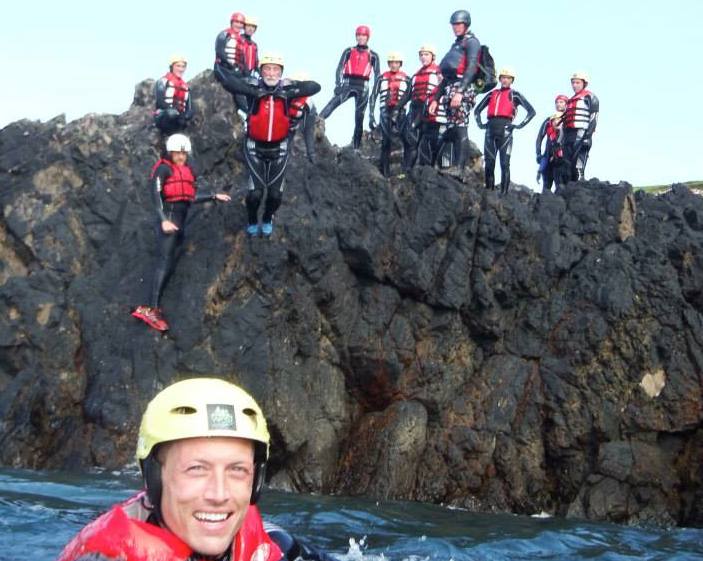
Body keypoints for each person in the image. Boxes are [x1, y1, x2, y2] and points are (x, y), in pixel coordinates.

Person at [58, 377, 337, 561]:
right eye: (196, 469)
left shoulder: (276, 545)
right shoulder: (107, 556)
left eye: (237, 470)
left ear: (256, 481)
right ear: (154, 478)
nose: (219, 494)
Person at [131, 134, 231, 331]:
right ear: (171, 152)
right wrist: (164, 221)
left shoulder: (185, 170)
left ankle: (153, 305)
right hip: (169, 220)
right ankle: (152, 309)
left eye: (184, 153)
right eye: (178, 153)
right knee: (163, 261)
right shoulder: (162, 169)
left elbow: (190, 196)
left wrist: (213, 196)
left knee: (170, 261)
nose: (181, 157)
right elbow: (156, 198)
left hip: (180, 221)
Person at [224, 54, 321, 238]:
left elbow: (315, 86)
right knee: (255, 194)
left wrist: (289, 91)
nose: (271, 73)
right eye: (267, 69)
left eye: (276, 69)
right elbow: (229, 82)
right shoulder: (253, 85)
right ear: (261, 71)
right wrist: (253, 92)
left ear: (281, 73)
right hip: (254, 146)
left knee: (275, 195)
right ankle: (252, 219)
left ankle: (268, 218)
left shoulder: (287, 91)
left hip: (280, 147)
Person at [429, 9, 481, 174]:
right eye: (454, 25)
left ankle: (460, 168)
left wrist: (460, 91)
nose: (456, 27)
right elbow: (446, 75)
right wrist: (436, 98)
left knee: (460, 127)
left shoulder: (472, 42)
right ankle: (439, 165)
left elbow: (472, 66)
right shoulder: (456, 44)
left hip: (462, 88)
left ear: (465, 25)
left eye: (459, 24)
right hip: (450, 87)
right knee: (450, 128)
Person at [474, 67, 536, 194]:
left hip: (506, 130)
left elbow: (531, 111)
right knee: (489, 163)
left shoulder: (515, 94)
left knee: (504, 163)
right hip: (490, 129)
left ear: (512, 80)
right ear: (500, 79)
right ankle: (489, 192)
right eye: (503, 78)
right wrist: (481, 124)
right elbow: (477, 110)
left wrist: (518, 125)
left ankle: (504, 194)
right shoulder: (492, 94)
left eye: (508, 78)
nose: (505, 80)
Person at [318, 25, 380, 149]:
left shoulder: (373, 55)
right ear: (356, 36)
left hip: (363, 86)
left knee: (359, 118)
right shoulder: (349, 51)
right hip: (348, 83)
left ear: (367, 37)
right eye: (359, 35)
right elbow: (339, 67)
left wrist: (373, 96)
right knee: (333, 103)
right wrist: (338, 84)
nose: (361, 38)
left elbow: (377, 77)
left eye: (363, 35)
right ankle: (316, 122)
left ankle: (356, 148)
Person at [396, 44, 443, 169]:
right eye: (421, 55)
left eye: (426, 54)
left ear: (433, 56)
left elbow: (443, 90)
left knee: (427, 143)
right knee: (409, 141)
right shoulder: (416, 74)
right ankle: (407, 170)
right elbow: (408, 94)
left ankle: (427, 170)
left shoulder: (438, 72)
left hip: (430, 111)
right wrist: (397, 108)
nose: (423, 57)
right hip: (415, 109)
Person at [369, 52, 411, 177]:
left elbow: (410, 96)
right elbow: (373, 96)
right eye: (391, 63)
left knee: (403, 139)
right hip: (385, 111)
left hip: (401, 112)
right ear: (388, 64)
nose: (394, 65)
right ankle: (385, 172)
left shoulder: (407, 79)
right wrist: (371, 114)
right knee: (386, 141)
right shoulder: (381, 78)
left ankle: (404, 170)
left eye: (396, 63)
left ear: (400, 64)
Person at [563, 71, 599, 181]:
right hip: (569, 134)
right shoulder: (570, 100)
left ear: (584, 83)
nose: (574, 85)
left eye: (577, 83)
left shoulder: (590, 97)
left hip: (581, 132)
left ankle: (579, 184)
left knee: (579, 164)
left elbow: (594, 117)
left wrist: (587, 136)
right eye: (573, 83)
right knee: (567, 165)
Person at [214, 12, 249, 112]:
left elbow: (242, 58)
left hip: (236, 70)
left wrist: (246, 73)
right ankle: (247, 110)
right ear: (232, 22)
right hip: (222, 68)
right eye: (236, 22)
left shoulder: (241, 39)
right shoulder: (224, 34)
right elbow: (219, 50)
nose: (238, 25)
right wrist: (229, 65)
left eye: (241, 23)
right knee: (237, 87)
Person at [154, 55, 194, 138]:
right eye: (178, 66)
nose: (181, 69)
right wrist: (176, 113)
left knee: (186, 118)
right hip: (164, 116)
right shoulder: (162, 81)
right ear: (172, 67)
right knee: (171, 114)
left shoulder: (185, 86)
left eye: (183, 67)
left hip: (179, 118)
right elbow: (160, 102)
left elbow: (189, 107)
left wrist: (185, 115)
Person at [536, 95, 568, 192]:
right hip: (548, 155)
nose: (559, 104)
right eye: (557, 102)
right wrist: (538, 154)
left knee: (560, 183)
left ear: (566, 104)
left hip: (561, 157)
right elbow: (539, 138)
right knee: (546, 184)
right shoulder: (548, 120)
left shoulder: (569, 120)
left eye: (561, 102)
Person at [288, 72, 318, 163]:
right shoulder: (285, 96)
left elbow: (308, 130)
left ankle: (311, 157)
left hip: (300, 123)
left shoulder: (308, 103)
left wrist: (311, 153)